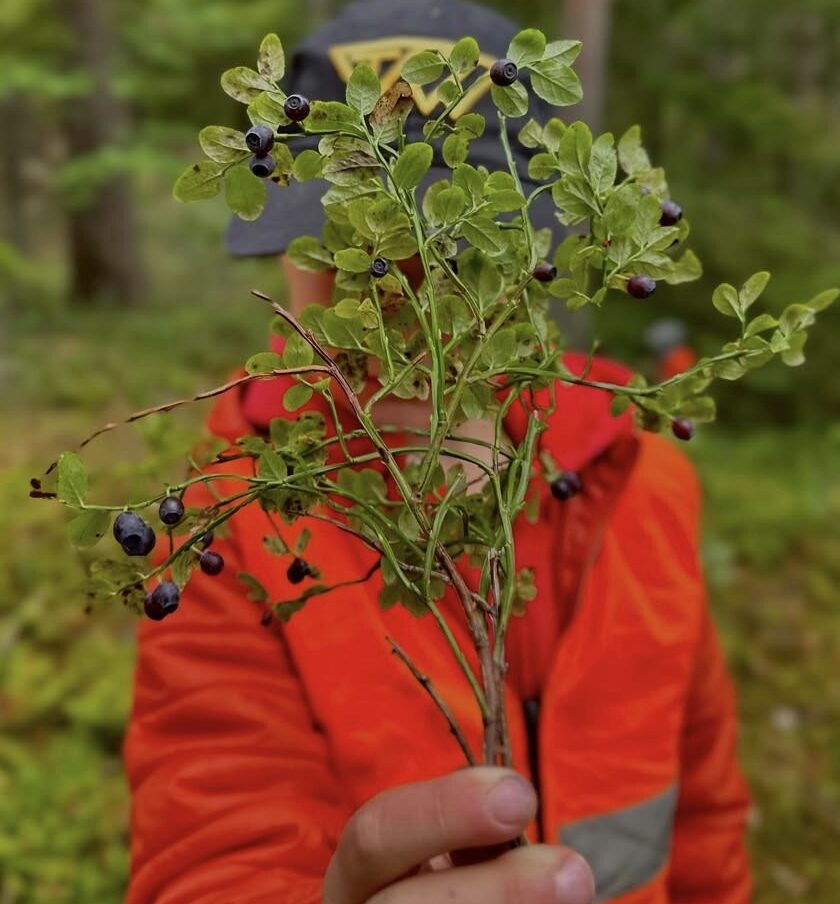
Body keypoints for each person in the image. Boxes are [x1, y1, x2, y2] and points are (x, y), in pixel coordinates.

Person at [123, 1, 752, 902]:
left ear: (536, 266)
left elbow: (705, 822)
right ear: (292, 262)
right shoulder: (230, 529)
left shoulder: (643, 483)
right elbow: (212, 851)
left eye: (451, 255)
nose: (397, 307)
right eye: (349, 253)